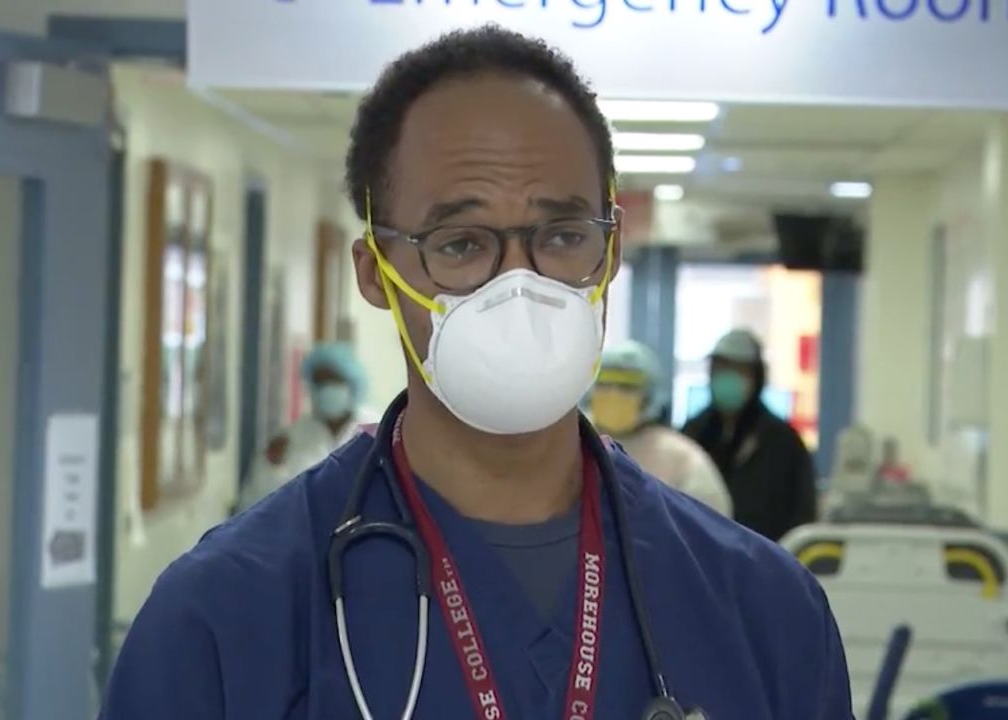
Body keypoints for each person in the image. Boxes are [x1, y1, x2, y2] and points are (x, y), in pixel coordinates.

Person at [100, 28, 852, 720]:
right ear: (376, 272)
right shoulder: (224, 617)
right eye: (460, 244)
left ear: (611, 253)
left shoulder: (763, 611)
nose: (518, 286)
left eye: (562, 235)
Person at [684, 329, 819, 542]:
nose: (728, 378)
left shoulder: (783, 442)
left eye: (739, 370)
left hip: (764, 559)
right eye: (721, 368)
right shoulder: (691, 434)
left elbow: (802, 514)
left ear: (757, 377)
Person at [587, 340, 732, 516]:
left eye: (627, 387)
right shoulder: (571, 445)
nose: (614, 393)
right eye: (605, 384)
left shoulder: (682, 459)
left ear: (650, 395)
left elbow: (713, 528)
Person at [235, 342, 373, 512]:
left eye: (333, 381)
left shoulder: (378, 431)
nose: (326, 389)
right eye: (320, 382)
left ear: (352, 383)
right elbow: (254, 504)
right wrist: (273, 466)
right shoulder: (290, 439)